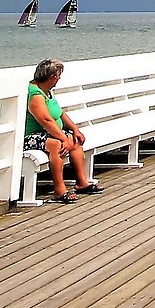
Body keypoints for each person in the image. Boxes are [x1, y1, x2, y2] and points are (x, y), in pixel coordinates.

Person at [24, 61, 100, 203]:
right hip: (29, 137)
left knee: (75, 140)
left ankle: (81, 182)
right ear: (52, 77)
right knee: (56, 144)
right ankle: (59, 190)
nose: (59, 79)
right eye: (58, 75)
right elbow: (45, 120)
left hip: (46, 133)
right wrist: (63, 138)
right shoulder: (35, 94)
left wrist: (75, 130)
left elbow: (59, 114)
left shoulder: (47, 91)